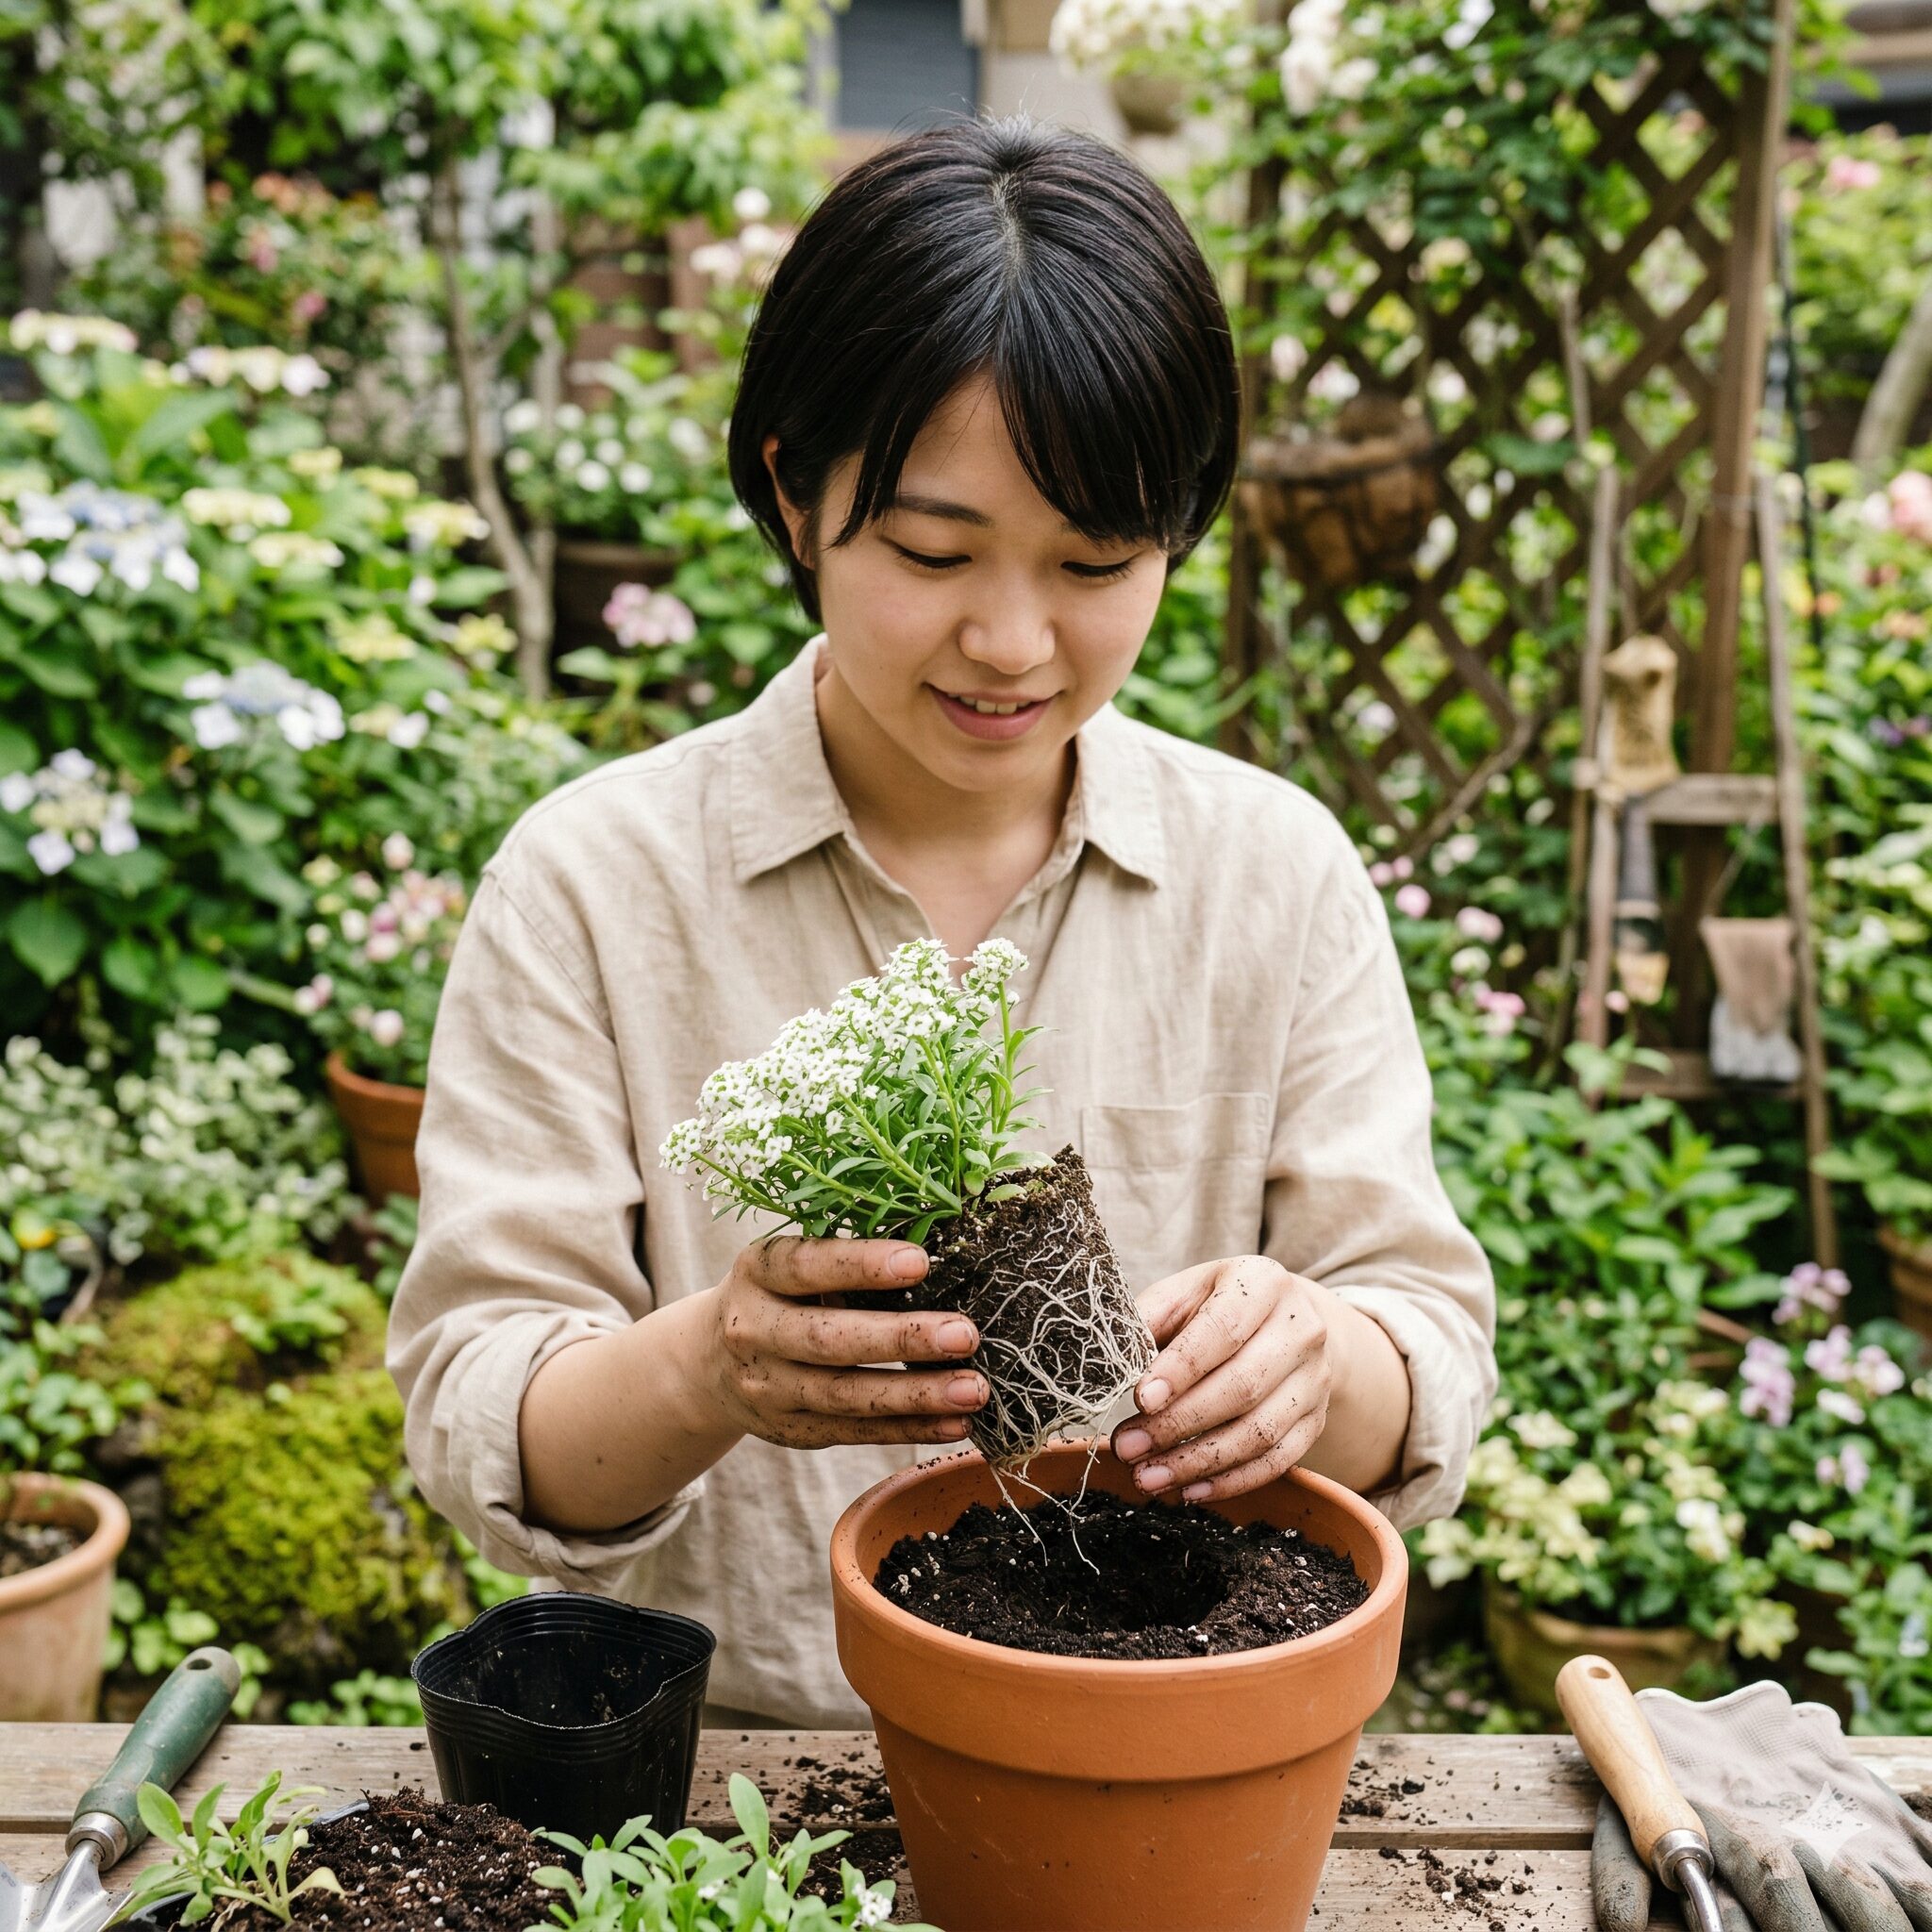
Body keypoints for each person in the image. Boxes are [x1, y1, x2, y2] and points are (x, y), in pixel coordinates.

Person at [388, 114, 1495, 1727]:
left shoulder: (1274, 873)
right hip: (742, 1815)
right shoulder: (593, 883)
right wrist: (715, 1365)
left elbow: (1429, 1352)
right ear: (791, 495)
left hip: (1167, 1763)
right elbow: (482, 1407)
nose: (1012, 640)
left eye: (1098, 560)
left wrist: (1323, 1361)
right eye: (931, 548)